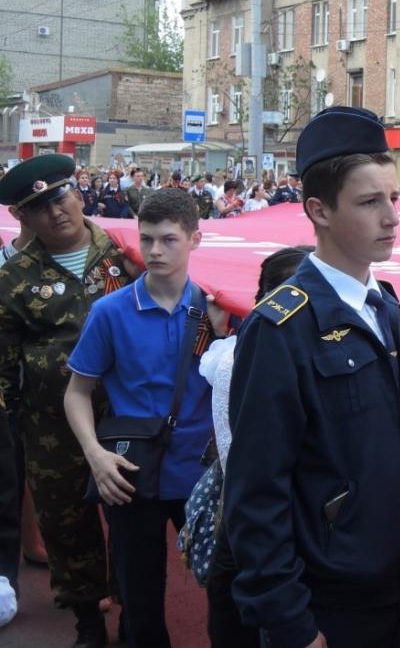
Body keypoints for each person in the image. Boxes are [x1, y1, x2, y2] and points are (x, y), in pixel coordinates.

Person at [223, 106, 400, 648]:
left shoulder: (384, 306)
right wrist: (289, 623)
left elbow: (397, 440)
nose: (392, 217)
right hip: (332, 601)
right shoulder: (281, 328)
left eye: (394, 198)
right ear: (319, 210)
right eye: (369, 201)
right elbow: (255, 494)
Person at [64, 188, 226, 648]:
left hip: (201, 472)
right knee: (140, 601)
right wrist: (94, 455)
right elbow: (77, 392)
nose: (155, 251)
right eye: (147, 238)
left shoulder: (219, 309)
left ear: (195, 239)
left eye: (169, 239)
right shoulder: (110, 311)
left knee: (227, 588)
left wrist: (220, 331)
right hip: (129, 473)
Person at [0, 154, 138, 647]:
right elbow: (4, 357)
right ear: (23, 217)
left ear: (78, 194)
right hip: (50, 424)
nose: (56, 211)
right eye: (40, 206)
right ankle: (87, 622)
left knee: (131, 518)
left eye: (60, 196)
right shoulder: (14, 277)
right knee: (65, 523)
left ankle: (133, 611)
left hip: (128, 415)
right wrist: (11, 419)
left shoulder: (127, 252)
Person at [200, 246, 314, 648]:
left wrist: (218, 334)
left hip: (247, 523)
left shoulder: (234, 353)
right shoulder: (253, 359)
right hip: (282, 527)